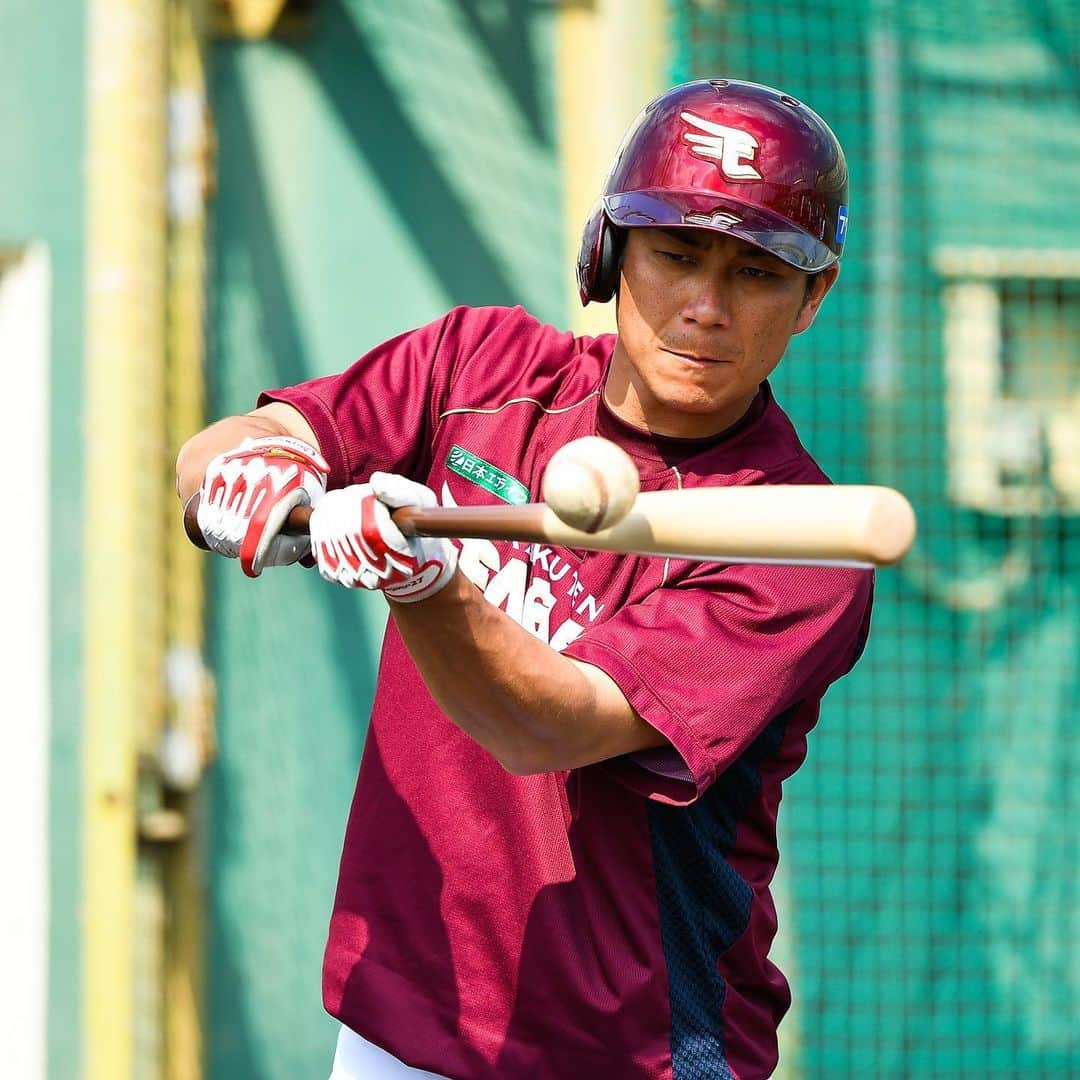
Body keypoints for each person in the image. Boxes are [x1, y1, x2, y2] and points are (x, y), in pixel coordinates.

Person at [176, 78, 872, 1080]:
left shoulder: (797, 539)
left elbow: (548, 726)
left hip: (628, 1048)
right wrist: (261, 475)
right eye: (676, 254)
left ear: (812, 298)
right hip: (404, 1018)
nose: (707, 307)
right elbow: (236, 449)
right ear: (608, 254)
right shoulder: (479, 366)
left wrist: (426, 584)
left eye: (757, 272)